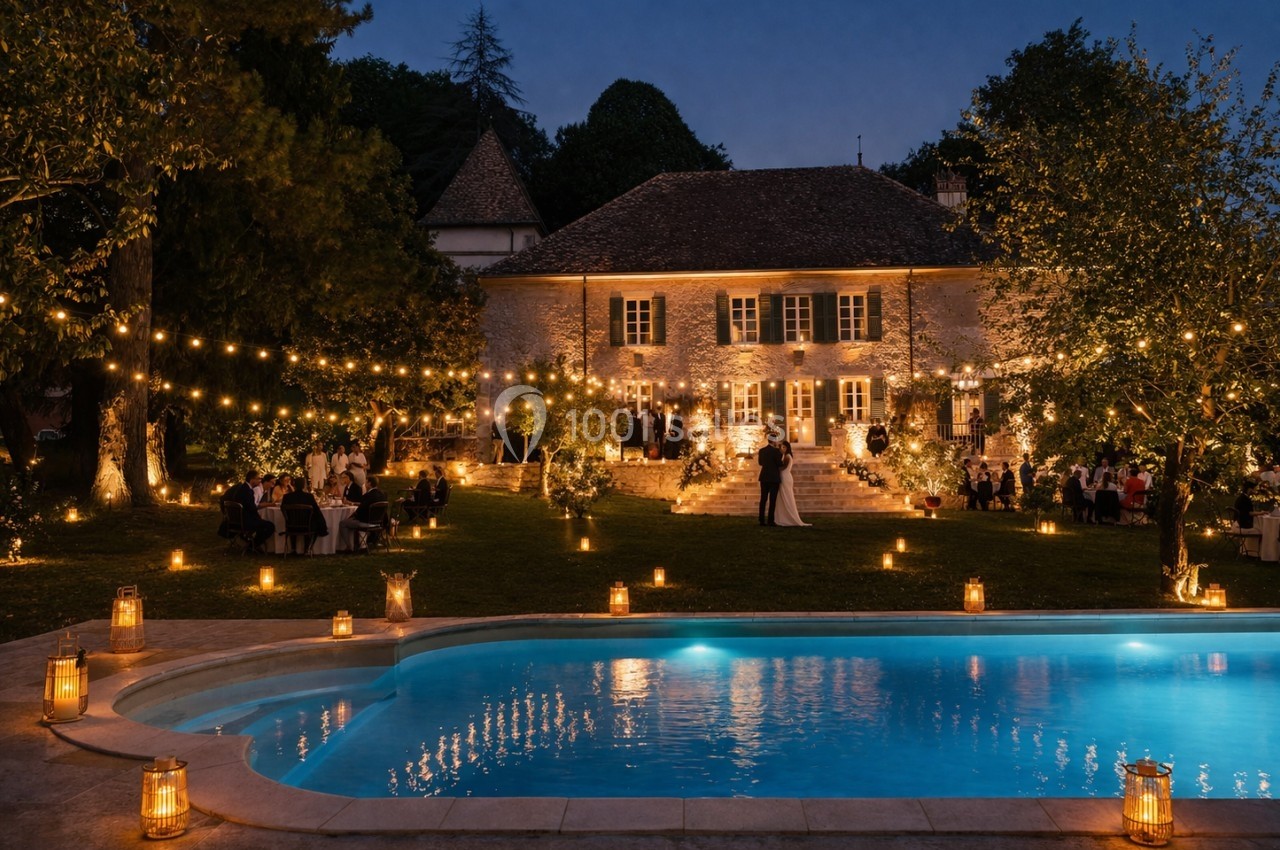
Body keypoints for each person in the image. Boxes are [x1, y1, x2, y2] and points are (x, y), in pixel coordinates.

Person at [219, 470, 275, 552]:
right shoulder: (247, 491)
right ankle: (252, 545)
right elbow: (251, 508)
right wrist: (258, 518)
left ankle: (250, 543)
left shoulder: (243, 488)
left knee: (263, 524)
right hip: (244, 521)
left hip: (237, 520)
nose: (260, 481)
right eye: (258, 479)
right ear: (252, 480)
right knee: (270, 526)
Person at [340, 474, 387, 553]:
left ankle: (350, 547)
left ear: (369, 483)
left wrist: (353, 516)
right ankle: (361, 545)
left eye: (366, 481)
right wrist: (353, 504)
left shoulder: (368, 495)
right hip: (379, 522)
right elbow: (367, 505)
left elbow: (361, 510)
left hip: (366, 522)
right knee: (351, 522)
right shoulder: (382, 494)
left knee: (343, 523)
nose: (364, 483)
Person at [280, 478, 329, 551]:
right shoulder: (309, 496)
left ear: (294, 485)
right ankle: (307, 548)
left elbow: (282, 508)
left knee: (296, 520)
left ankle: (293, 548)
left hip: (291, 525)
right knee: (316, 522)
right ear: (304, 486)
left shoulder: (287, 497)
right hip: (307, 526)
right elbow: (316, 510)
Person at [774, 441, 811, 527]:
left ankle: (789, 517)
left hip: (785, 477)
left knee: (787, 497)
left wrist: (774, 466)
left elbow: (783, 468)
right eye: (781, 447)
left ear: (787, 448)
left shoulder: (787, 457)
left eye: (783, 447)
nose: (782, 449)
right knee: (783, 497)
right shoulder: (786, 456)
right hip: (785, 476)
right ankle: (783, 516)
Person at [757, 431, 784, 526]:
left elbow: (760, 463)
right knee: (772, 500)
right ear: (774, 441)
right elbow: (780, 464)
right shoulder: (776, 451)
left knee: (763, 499)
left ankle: (761, 520)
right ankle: (770, 521)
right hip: (773, 478)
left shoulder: (762, 451)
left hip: (764, 477)